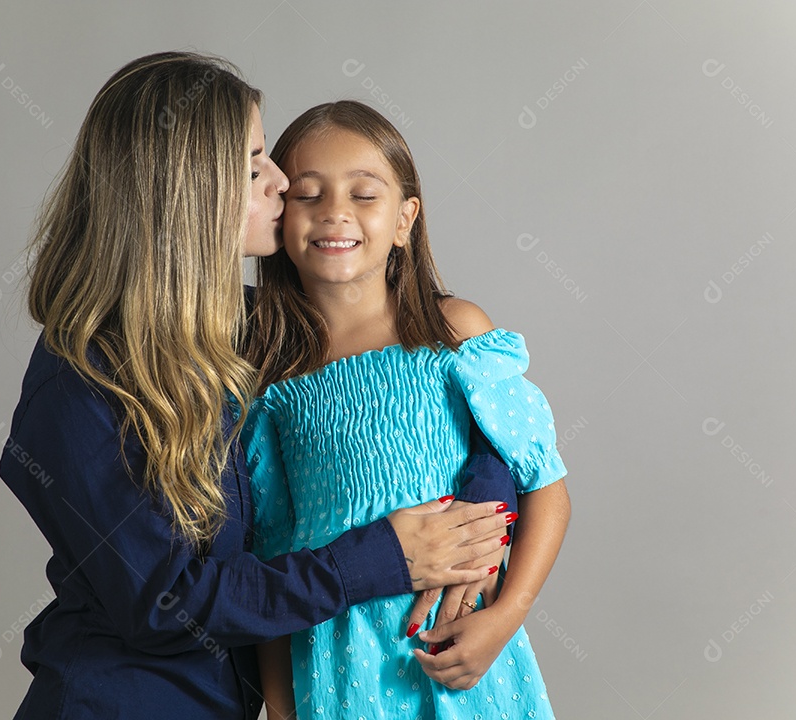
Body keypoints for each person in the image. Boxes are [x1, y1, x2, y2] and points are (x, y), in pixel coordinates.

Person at [0, 52, 519, 720]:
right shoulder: (79, 383)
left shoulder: (253, 331)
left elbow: (448, 401)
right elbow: (165, 602)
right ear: (186, 190)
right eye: (252, 165)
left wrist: (481, 510)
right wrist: (383, 558)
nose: (280, 179)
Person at [243, 100, 572, 720]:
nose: (335, 211)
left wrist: (505, 618)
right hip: (339, 667)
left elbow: (546, 487)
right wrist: (284, 712)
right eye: (309, 195)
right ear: (282, 219)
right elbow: (273, 557)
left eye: (364, 195)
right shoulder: (274, 380)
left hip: (460, 653)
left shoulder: (454, 335)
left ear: (404, 219)